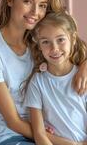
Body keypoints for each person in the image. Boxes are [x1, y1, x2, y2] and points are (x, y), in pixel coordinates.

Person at [0, 0, 87, 145]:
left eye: (42, 5)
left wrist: (84, 67)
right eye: (27, 1)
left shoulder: (42, 40)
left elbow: (75, 46)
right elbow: (13, 121)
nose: (35, 12)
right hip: (12, 134)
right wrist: (66, 143)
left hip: (51, 127)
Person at [24, 11, 87, 145]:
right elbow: (39, 134)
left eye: (61, 39)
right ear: (39, 46)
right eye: (46, 42)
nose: (54, 48)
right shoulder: (37, 83)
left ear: (73, 39)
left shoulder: (83, 77)